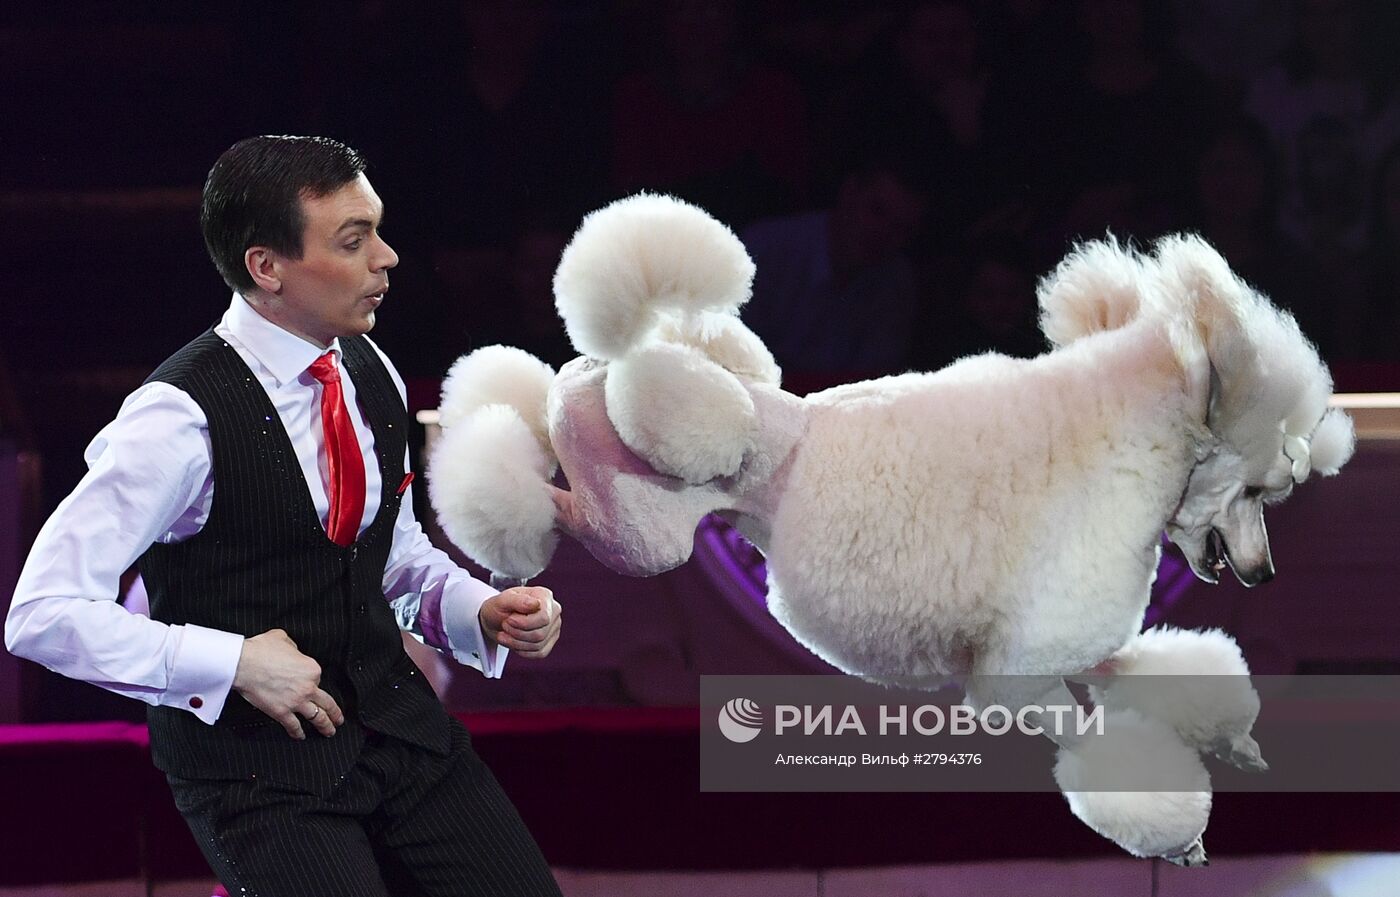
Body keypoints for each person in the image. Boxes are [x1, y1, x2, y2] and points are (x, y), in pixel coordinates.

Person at [4, 135, 564, 896]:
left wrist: (478, 607)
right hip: (257, 772)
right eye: (353, 239)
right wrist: (230, 662)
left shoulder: (371, 369)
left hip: (398, 730)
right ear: (266, 266)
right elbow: (40, 612)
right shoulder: (176, 419)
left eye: (378, 229)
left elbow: (389, 553)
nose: (387, 257)